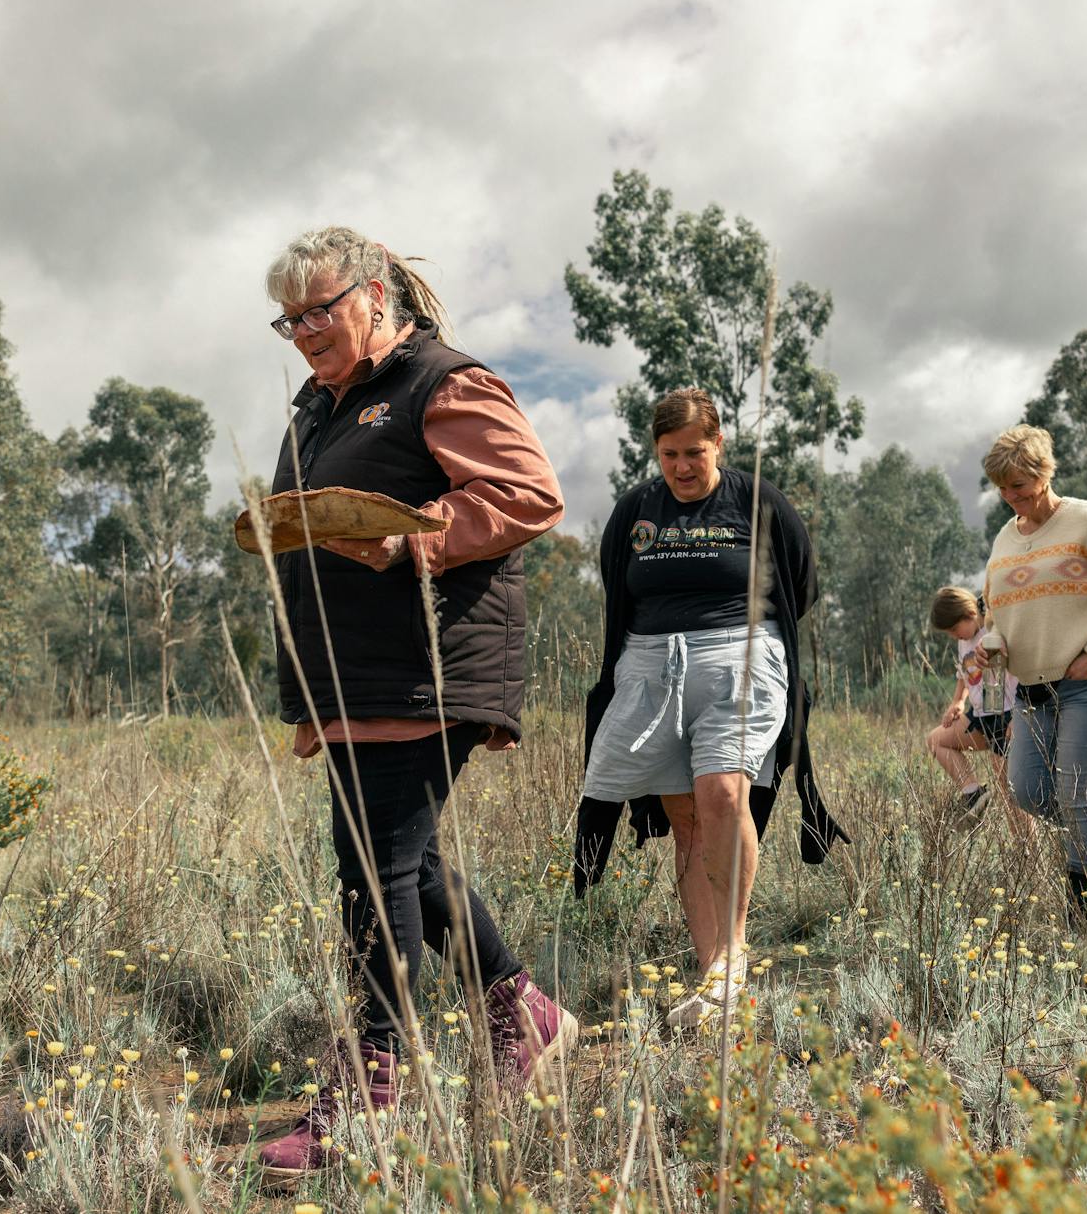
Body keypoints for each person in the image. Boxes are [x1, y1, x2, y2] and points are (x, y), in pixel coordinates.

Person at [253, 227, 574, 1182]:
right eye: (291, 317)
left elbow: (528, 493)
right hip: (350, 673)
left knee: (374, 867)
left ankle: (368, 1096)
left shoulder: (441, 381)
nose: (307, 329)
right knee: (411, 862)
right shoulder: (319, 406)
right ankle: (522, 1010)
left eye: (323, 307)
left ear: (379, 292)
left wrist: (413, 541)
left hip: (426, 662)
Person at [574, 388, 846, 1030]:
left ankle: (732, 954)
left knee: (724, 792)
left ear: (718, 444)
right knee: (684, 813)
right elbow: (619, 587)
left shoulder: (759, 503)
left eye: (694, 452)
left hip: (741, 656)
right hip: (649, 666)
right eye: (669, 455)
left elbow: (799, 583)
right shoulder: (636, 509)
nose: (682, 467)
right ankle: (712, 974)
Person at [979, 424, 1087, 926]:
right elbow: (996, 617)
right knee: (1029, 792)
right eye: (1003, 487)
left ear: (1044, 474)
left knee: (1079, 794)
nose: (1011, 497)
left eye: (1020, 485)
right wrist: (990, 650)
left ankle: (1084, 918)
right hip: (1032, 688)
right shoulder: (1004, 540)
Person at [925, 586, 1034, 843]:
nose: (954, 637)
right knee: (936, 740)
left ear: (970, 613)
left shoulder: (995, 630)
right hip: (981, 716)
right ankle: (973, 794)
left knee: (1012, 798)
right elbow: (963, 676)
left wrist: (1020, 715)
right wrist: (958, 702)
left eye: (954, 630)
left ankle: (1029, 858)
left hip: (1008, 716)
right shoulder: (965, 640)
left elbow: (1026, 670)